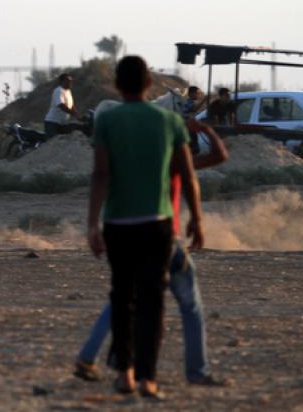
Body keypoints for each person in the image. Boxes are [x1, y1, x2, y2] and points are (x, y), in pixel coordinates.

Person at [75, 120, 228, 387]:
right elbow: (219, 156)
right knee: (190, 306)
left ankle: (89, 356)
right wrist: (207, 131)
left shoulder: (134, 161)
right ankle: (196, 371)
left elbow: (102, 178)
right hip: (166, 237)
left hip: (131, 233)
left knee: (123, 300)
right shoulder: (175, 163)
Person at [87, 55, 203, 399]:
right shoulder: (169, 121)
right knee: (153, 302)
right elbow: (187, 173)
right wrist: (197, 217)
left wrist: (92, 223)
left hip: (118, 223)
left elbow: (100, 174)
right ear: (149, 84)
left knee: (122, 298)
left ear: (118, 86)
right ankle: (148, 379)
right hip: (158, 225)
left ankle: (125, 373)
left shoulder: (106, 121)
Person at [44, 73, 79, 138]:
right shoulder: (58, 91)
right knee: (51, 142)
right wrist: (72, 113)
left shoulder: (68, 91)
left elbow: (71, 105)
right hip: (52, 123)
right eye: (68, 81)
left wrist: (77, 115)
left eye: (71, 81)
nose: (70, 82)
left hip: (62, 123)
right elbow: (61, 105)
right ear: (62, 82)